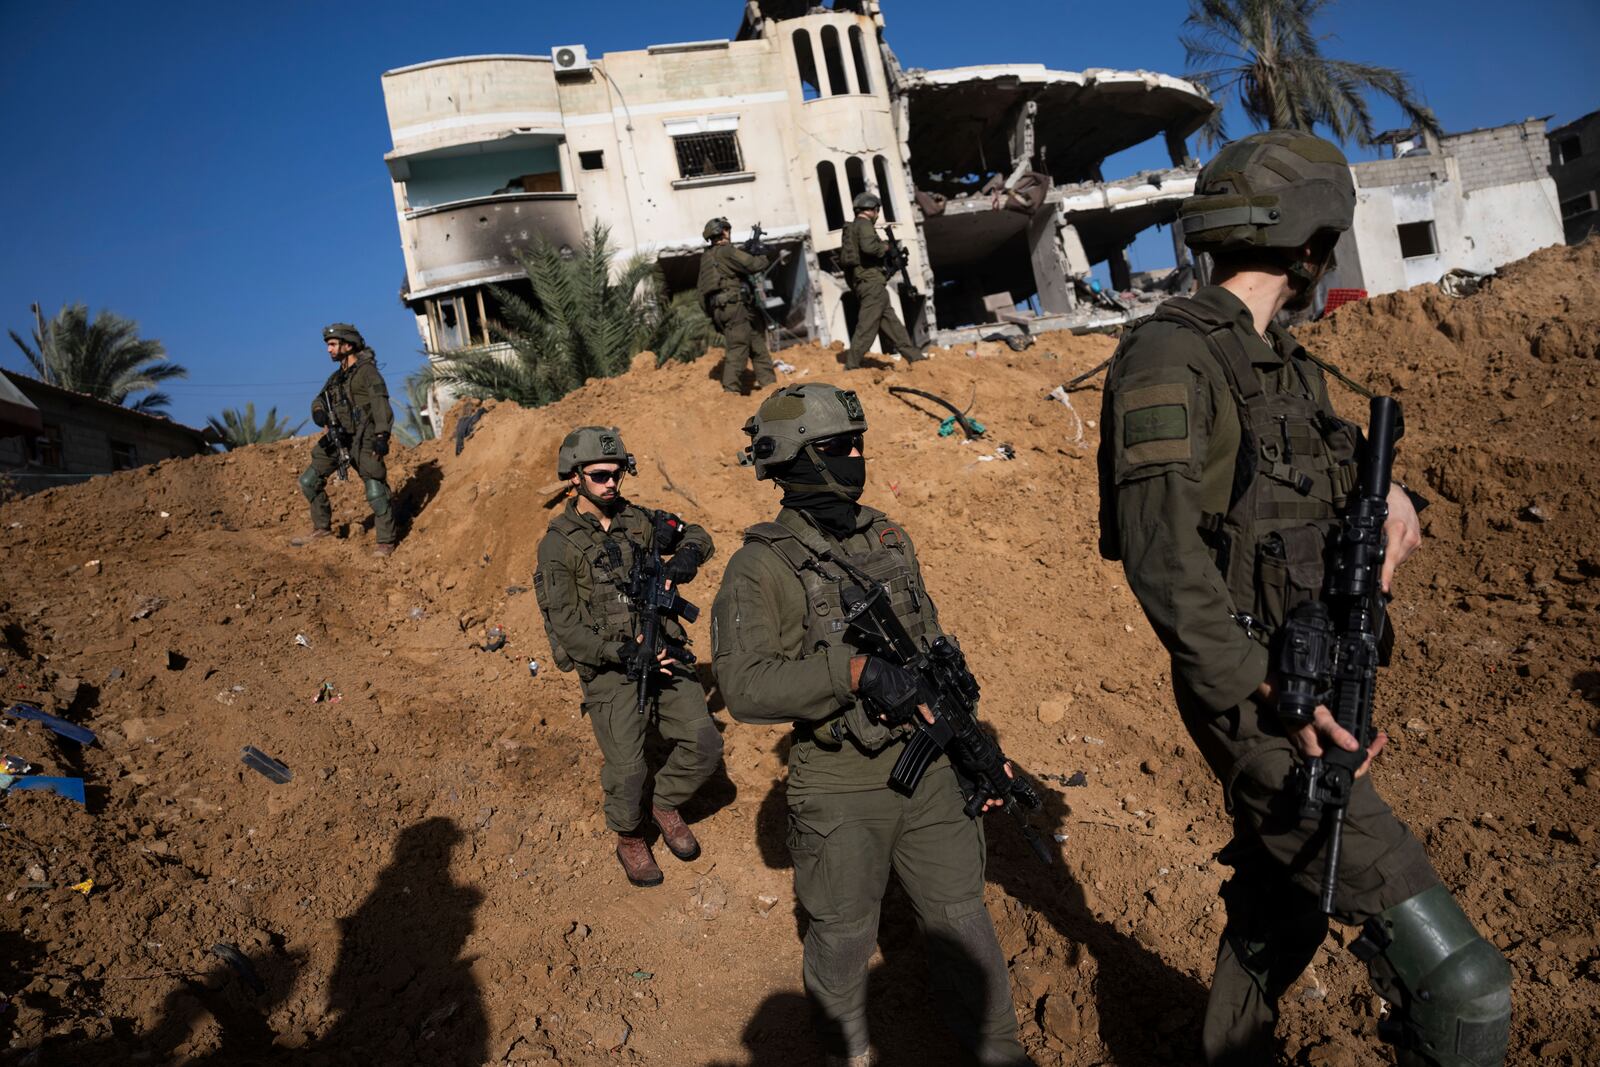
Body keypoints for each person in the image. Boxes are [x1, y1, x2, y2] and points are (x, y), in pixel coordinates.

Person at [1097, 130, 1511, 1066]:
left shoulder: (1288, 366)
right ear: (1312, 244)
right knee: (1465, 988)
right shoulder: (1173, 359)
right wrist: (1276, 702)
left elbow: (1322, 497)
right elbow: (1166, 567)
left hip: (1314, 684)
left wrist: (1401, 499)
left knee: (1285, 904)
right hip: (1267, 702)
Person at [712, 385, 1029, 1067]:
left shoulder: (886, 535)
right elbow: (743, 686)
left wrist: (979, 748)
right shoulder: (759, 566)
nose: (856, 456)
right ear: (794, 460)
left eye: (858, 443)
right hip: (840, 782)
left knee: (962, 922)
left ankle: (998, 1052)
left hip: (931, 766)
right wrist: (851, 674)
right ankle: (846, 1053)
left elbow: (934, 651)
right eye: (837, 447)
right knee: (844, 936)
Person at [534, 426, 723, 888]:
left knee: (705, 743)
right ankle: (629, 836)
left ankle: (664, 803)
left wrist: (686, 558)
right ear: (574, 478)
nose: (611, 483)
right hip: (611, 668)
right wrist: (622, 653)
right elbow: (568, 629)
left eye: (618, 474)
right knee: (628, 767)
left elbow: (696, 532)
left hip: (661, 649)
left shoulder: (637, 520)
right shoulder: (558, 545)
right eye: (600, 476)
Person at [299, 323, 397, 557]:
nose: (329, 350)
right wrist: (319, 413)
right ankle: (322, 528)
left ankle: (386, 541)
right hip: (338, 437)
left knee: (375, 490)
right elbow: (319, 400)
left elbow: (380, 403)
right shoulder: (336, 378)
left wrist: (382, 435)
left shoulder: (368, 372)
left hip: (364, 438)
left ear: (348, 345)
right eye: (328, 345)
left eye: (333, 345)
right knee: (308, 481)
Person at [839, 193, 924, 371]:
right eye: (877, 211)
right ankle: (852, 366)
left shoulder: (854, 227)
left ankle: (915, 358)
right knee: (867, 326)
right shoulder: (864, 225)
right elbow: (870, 248)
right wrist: (886, 247)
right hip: (871, 285)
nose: (877, 215)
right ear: (873, 209)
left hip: (870, 283)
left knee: (892, 324)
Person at [697, 217, 777, 395]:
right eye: (727, 229)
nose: (729, 233)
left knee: (757, 346)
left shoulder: (707, 257)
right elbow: (753, 265)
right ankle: (730, 391)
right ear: (722, 232)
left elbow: (700, 293)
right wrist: (763, 254)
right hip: (735, 308)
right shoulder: (726, 251)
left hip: (724, 310)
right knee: (738, 348)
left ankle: (769, 385)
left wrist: (713, 315)